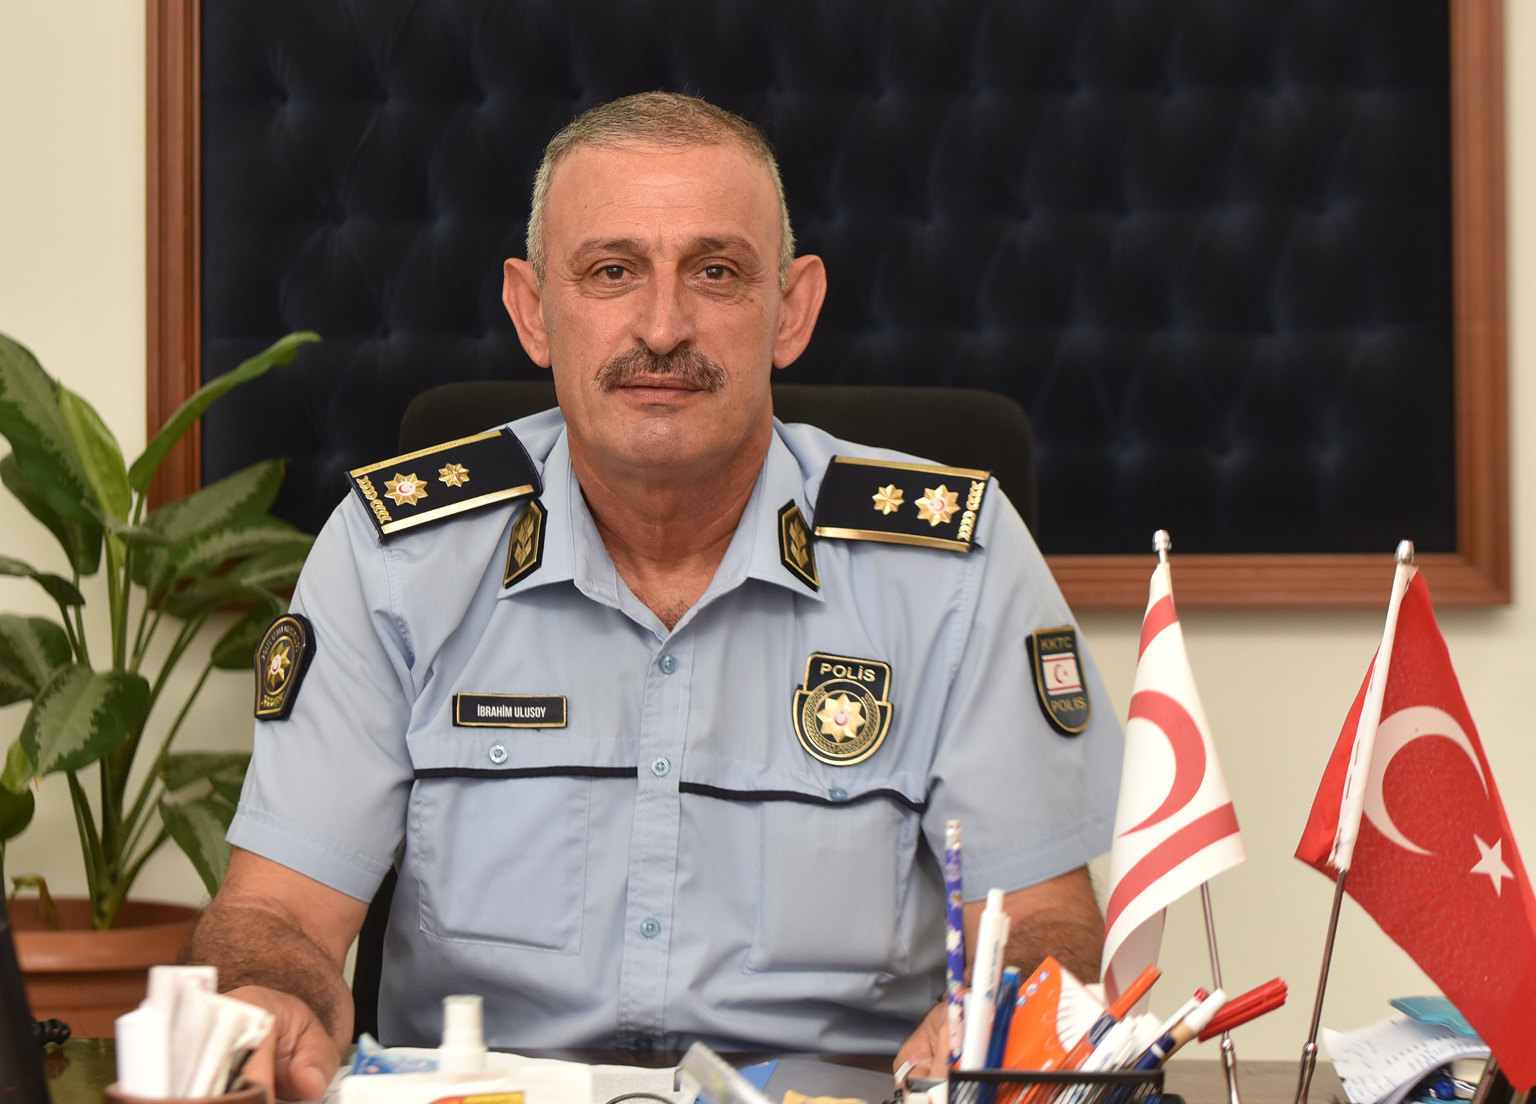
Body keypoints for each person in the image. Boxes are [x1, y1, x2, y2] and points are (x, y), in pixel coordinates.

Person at [188, 92, 1124, 1100]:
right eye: (612, 271)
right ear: (533, 311)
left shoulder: (955, 567)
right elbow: (278, 916)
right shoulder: (395, 560)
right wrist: (268, 998)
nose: (664, 326)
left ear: (792, 310)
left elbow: (1043, 921)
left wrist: (1008, 1008)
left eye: (716, 272)